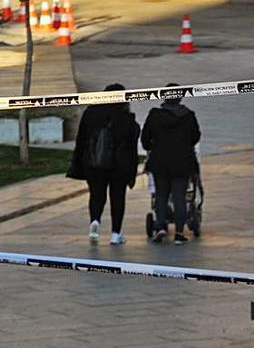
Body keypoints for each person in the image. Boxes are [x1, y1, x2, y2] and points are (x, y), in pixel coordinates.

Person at [67, 83, 141, 245]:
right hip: (118, 166)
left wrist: (79, 163)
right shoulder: (125, 117)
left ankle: (95, 221)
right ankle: (116, 233)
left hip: (94, 164)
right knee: (117, 198)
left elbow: (82, 139)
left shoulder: (91, 113)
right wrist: (131, 172)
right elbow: (131, 146)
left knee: (96, 195)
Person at [141, 83, 201, 246]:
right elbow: (195, 137)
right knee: (180, 196)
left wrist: (152, 146)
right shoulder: (188, 116)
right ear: (180, 97)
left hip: (160, 162)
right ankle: (180, 232)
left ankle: (161, 227)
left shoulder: (154, 115)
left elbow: (145, 139)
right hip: (182, 162)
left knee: (161, 195)